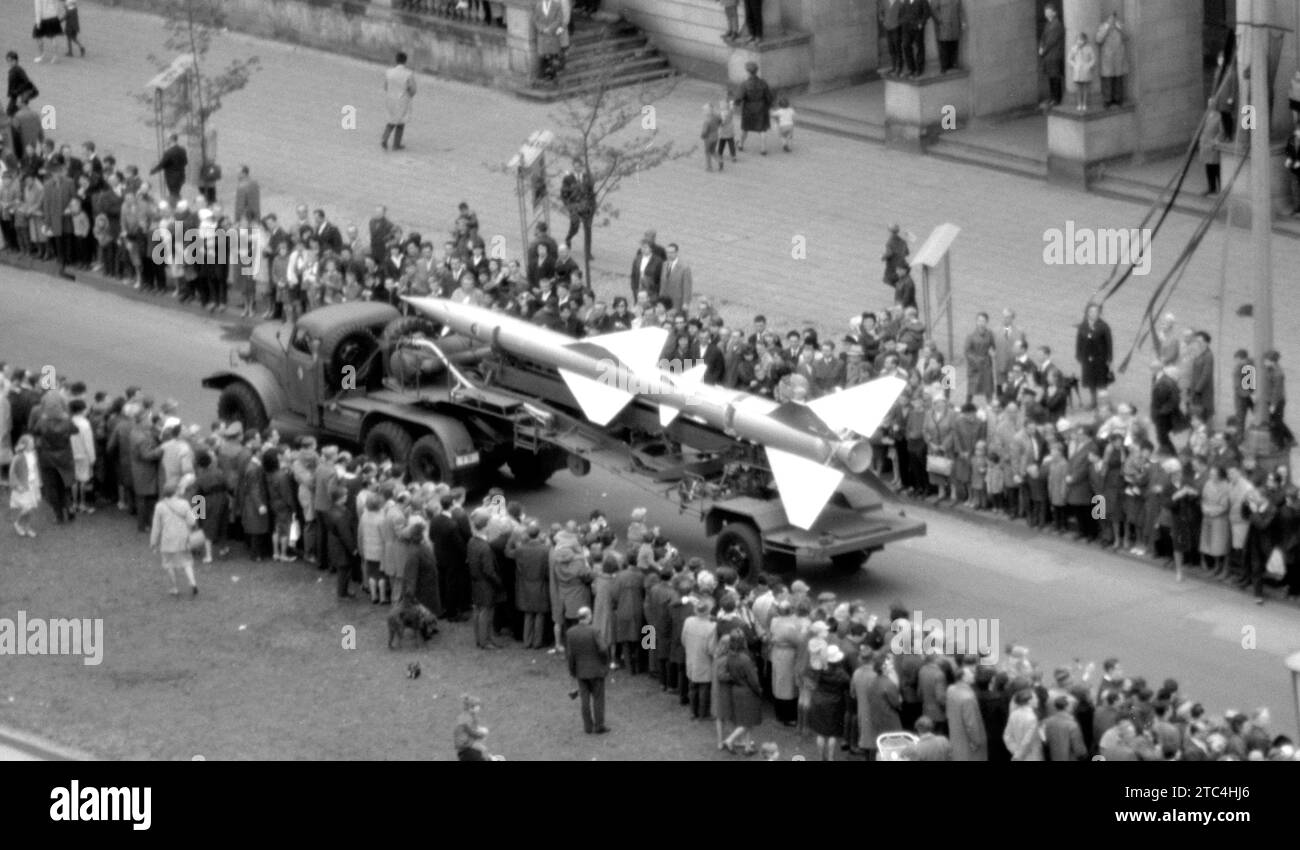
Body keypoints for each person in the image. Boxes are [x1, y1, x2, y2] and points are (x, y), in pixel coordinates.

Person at [150, 480, 199, 598]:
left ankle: (174, 587)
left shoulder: (160, 506)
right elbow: (192, 521)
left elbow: (156, 527)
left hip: (167, 538)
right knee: (186, 561)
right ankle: (192, 582)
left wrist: (153, 542)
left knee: (169, 564)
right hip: (183, 537)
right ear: (176, 492)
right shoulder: (184, 504)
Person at [565, 606, 610, 734]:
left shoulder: (570, 633)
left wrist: (572, 670)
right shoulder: (594, 631)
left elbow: (570, 655)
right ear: (589, 616)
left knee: (584, 700)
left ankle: (587, 726)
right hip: (596, 670)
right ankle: (599, 725)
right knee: (598, 698)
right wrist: (604, 662)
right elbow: (603, 648)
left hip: (580, 670)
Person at [1075, 302, 1113, 409]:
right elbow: (1079, 341)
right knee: (1090, 380)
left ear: (1099, 313)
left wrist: (1109, 359)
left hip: (1100, 359)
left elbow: (1109, 343)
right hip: (1087, 359)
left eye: (1096, 311)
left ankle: (1104, 403)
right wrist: (1078, 355)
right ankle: (1093, 401)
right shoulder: (1083, 326)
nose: (1093, 313)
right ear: (1087, 312)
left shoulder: (1104, 326)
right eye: (1091, 311)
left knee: (1101, 382)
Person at [735, 61, 773, 155]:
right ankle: (763, 148)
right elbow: (769, 97)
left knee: (745, 129)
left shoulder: (744, 84)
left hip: (748, 109)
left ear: (748, 72)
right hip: (761, 108)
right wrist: (768, 106)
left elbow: (739, 97)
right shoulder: (763, 83)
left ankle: (740, 145)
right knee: (762, 129)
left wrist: (736, 103)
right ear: (756, 71)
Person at [1260, 350, 1296, 450]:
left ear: (1272, 361)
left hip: (1276, 402)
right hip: (1272, 400)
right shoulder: (1270, 368)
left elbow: (1277, 391)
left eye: (1265, 360)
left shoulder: (1278, 373)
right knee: (1277, 421)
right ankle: (1290, 438)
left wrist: (1273, 405)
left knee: (1276, 424)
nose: (1264, 362)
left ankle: (1280, 444)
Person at [381, 52, 416, 151]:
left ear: (396, 60)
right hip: (402, 100)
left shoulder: (389, 72)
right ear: (405, 61)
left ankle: (385, 137)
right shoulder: (408, 74)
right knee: (400, 122)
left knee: (391, 119)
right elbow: (412, 89)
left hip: (390, 98)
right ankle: (396, 144)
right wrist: (409, 94)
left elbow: (385, 86)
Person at [9, 434, 41, 537]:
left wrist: (38, 482)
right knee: (27, 508)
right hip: (23, 486)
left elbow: (35, 469)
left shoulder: (34, 454)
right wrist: (16, 485)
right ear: (24, 445)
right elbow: (12, 472)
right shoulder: (18, 457)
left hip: (32, 485)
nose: (33, 445)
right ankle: (18, 524)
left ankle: (26, 526)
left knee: (30, 508)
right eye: (31, 443)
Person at [1096, 11, 1128, 107]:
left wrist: (1120, 29)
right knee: (1108, 79)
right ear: (1107, 18)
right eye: (1110, 18)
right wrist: (1106, 29)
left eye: (1114, 18)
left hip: (1118, 56)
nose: (1112, 20)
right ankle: (1107, 100)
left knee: (1118, 78)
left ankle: (1118, 99)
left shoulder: (1120, 26)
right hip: (1107, 57)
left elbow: (1127, 37)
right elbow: (1098, 40)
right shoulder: (1103, 27)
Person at [1039, 4, 1065, 109]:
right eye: (1046, 11)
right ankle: (1052, 98)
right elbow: (1043, 37)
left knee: (1055, 77)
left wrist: (1043, 50)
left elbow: (1051, 41)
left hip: (1054, 55)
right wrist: (1041, 46)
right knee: (1051, 77)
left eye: (1048, 11)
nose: (1046, 13)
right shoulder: (1048, 24)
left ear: (1054, 13)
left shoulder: (1057, 25)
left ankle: (1056, 99)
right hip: (1049, 56)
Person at [532, 0, 566, 83]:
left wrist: (550, 29)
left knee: (553, 56)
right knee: (542, 56)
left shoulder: (557, 5)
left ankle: (552, 76)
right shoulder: (538, 5)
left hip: (553, 35)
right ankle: (542, 76)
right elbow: (535, 19)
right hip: (542, 35)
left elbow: (559, 19)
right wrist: (542, 28)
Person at [453, 694, 493, 760]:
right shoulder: (466, 718)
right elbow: (471, 731)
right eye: (478, 706)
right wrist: (481, 734)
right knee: (482, 750)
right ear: (471, 707)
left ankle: (490, 758)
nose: (479, 708)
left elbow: (473, 729)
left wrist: (480, 730)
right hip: (465, 745)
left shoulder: (469, 716)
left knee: (482, 750)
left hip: (465, 746)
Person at [150, 134, 188, 203]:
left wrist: (153, 171)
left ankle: (175, 207)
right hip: (181, 176)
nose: (166, 140)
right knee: (177, 193)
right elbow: (185, 162)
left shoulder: (169, 152)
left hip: (171, 177)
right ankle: (179, 205)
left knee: (173, 194)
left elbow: (162, 164)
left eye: (167, 139)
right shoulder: (182, 150)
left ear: (171, 140)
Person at [932, 0, 964, 74]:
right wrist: (940, 19)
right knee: (944, 45)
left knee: (954, 44)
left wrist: (962, 22)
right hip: (944, 25)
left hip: (955, 24)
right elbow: (934, 9)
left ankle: (953, 63)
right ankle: (944, 66)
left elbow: (960, 10)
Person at [1200, 100, 1224, 196]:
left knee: (1216, 167)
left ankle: (1221, 188)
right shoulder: (1207, 116)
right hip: (1205, 145)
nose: (1210, 105)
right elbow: (1203, 129)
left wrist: (1216, 140)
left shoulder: (1219, 116)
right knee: (1208, 167)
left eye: (1212, 104)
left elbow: (1222, 131)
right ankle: (1211, 187)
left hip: (1213, 145)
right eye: (1209, 104)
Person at [1068, 33, 1095, 112]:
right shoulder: (1074, 48)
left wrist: (1089, 66)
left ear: (1085, 40)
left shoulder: (1089, 48)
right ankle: (1079, 104)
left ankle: (1084, 103)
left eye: (1081, 40)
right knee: (1078, 88)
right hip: (1077, 70)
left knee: (1085, 88)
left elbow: (1093, 59)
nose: (1080, 41)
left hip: (1086, 70)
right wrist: (1074, 65)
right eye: (1078, 39)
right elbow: (1069, 58)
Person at [6, 52, 38, 118]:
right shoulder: (13, 70)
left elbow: (27, 82)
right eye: (8, 61)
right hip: (16, 95)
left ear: (15, 60)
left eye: (11, 61)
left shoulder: (18, 70)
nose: (9, 63)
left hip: (20, 95)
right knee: (12, 112)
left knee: (11, 112)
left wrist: (18, 94)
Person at [33, 0, 65, 64]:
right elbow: (56, 3)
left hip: (44, 18)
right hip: (53, 16)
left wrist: (38, 22)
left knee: (38, 36)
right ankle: (55, 56)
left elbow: (38, 9)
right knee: (53, 37)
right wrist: (55, 13)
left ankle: (41, 55)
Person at [701, 101, 722, 172]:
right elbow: (720, 121)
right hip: (716, 136)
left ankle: (709, 167)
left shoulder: (707, 121)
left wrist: (702, 136)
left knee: (707, 152)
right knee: (713, 151)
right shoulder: (716, 116)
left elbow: (704, 131)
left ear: (706, 112)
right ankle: (720, 160)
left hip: (708, 138)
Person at [1285, 125, 1300, 216]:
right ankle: (1297, 208)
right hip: (1294, 169)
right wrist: (1289, 158)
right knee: (1295, 188)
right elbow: (1287, 149)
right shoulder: (1291, 139)